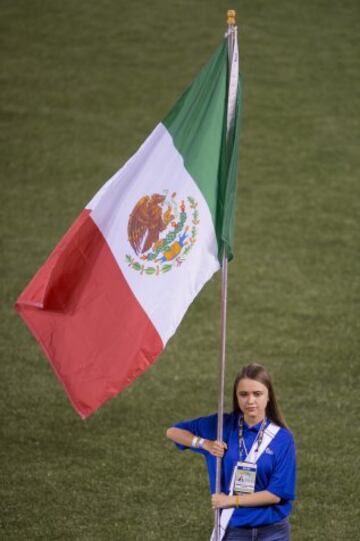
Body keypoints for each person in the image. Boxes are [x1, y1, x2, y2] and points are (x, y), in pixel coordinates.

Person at [166, 363, 296, 540]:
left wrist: (231, 501)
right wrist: (205, 443)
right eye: (244, 394)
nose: (250, 401)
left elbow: (275, 495)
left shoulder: (283, 439)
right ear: (236, 397)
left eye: (257, 394)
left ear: (268, 397)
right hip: (233, 530)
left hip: (273, 532)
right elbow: (173, 432)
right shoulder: (220, 426)